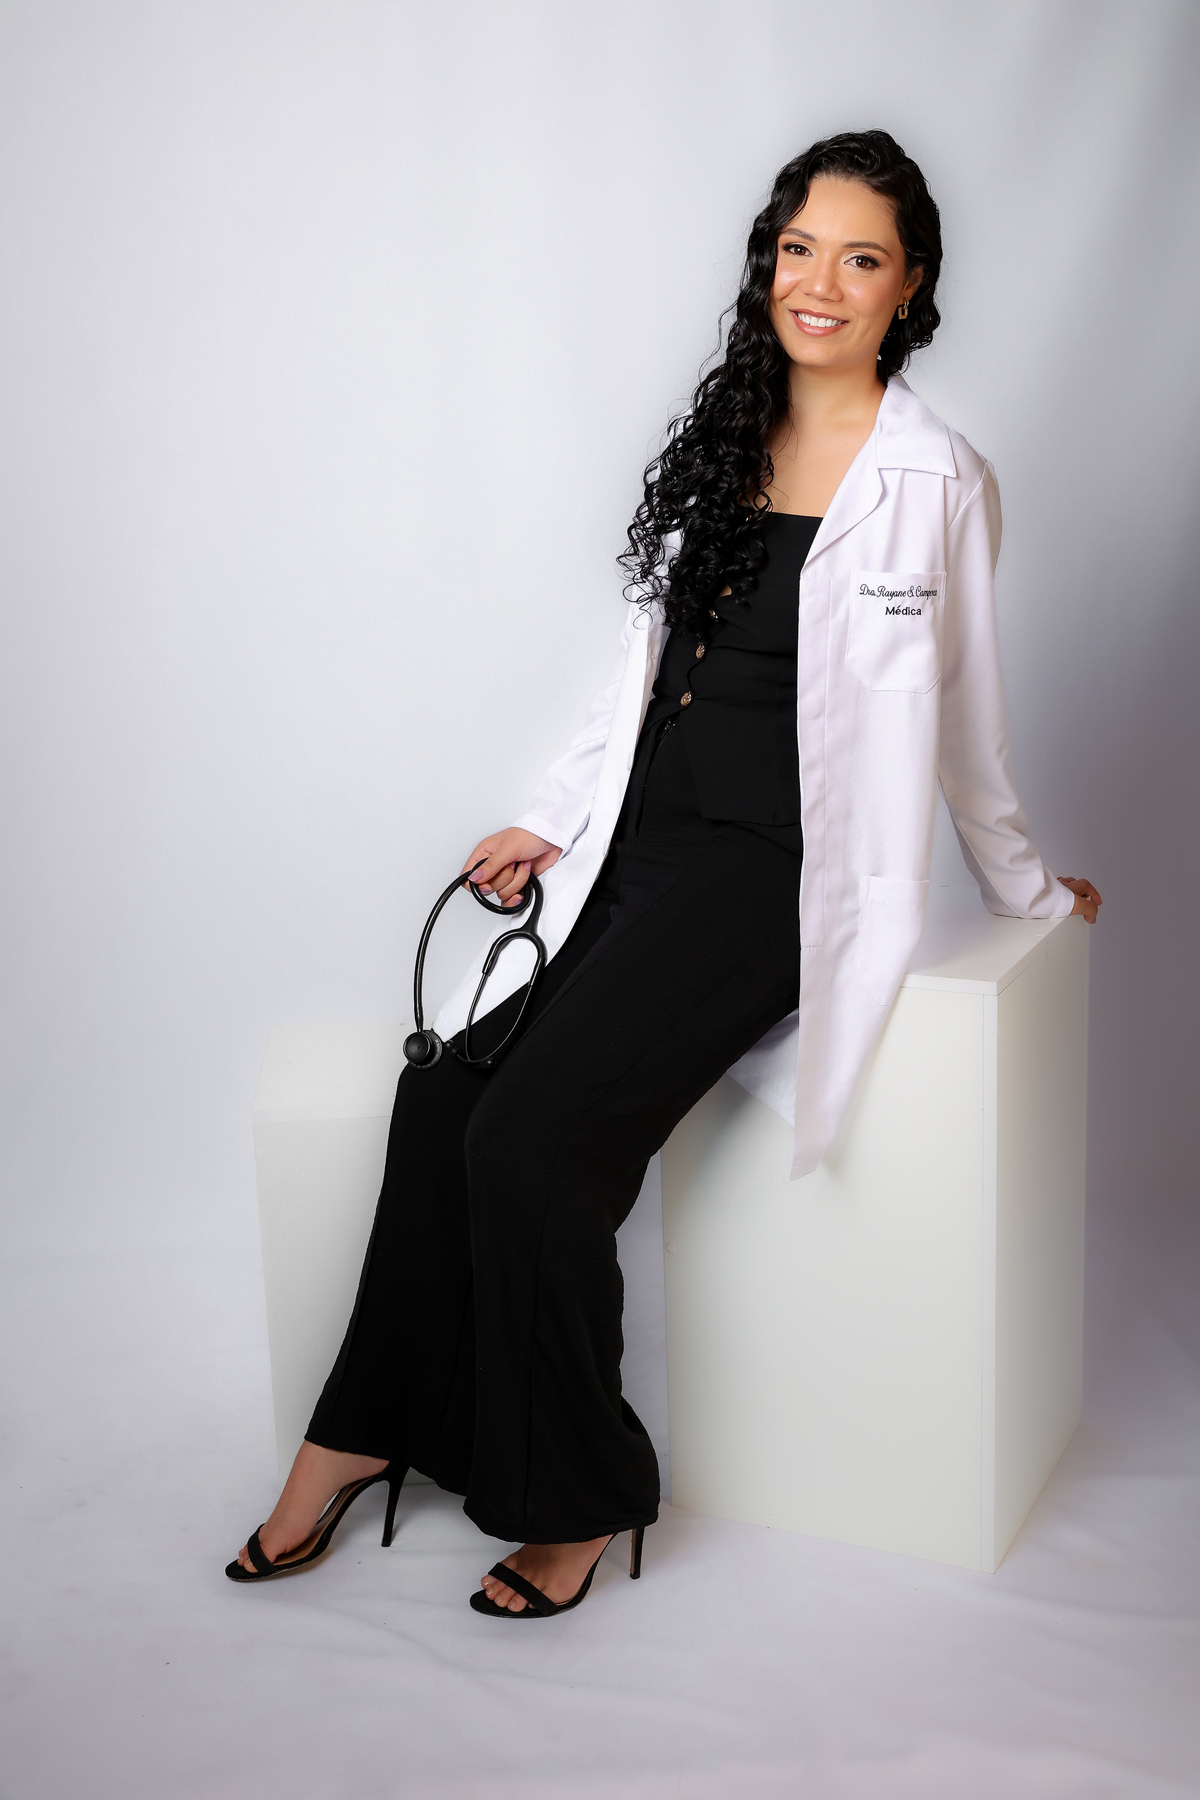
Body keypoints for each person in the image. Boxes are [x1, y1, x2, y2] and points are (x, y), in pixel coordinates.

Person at [226, 130, 1102, 1617]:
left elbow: (966, 721)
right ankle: (363, 1429)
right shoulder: (728, 434)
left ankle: (579, 1492)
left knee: (533, 1142)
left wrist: (1027, 891)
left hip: (772, 873)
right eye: (800, 248)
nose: (820, 283)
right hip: (640, 839)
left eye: (862, 259)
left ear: (910, 287)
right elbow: (640, 680)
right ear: (771, 261)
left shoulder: (938, 479)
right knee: (444, 1099)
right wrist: (556, 820)